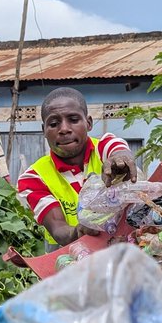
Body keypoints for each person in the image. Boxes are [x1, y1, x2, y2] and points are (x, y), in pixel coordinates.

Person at [17, 87, 139, 246]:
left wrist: (121, 158)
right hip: (72, 260)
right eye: (53, 123)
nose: (64, 129)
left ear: (88, 123)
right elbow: (58, 228)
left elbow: (118, 148)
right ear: (44, 131)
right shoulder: (34, 177)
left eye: (73, 120)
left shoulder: (103, 148)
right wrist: (78, 231)